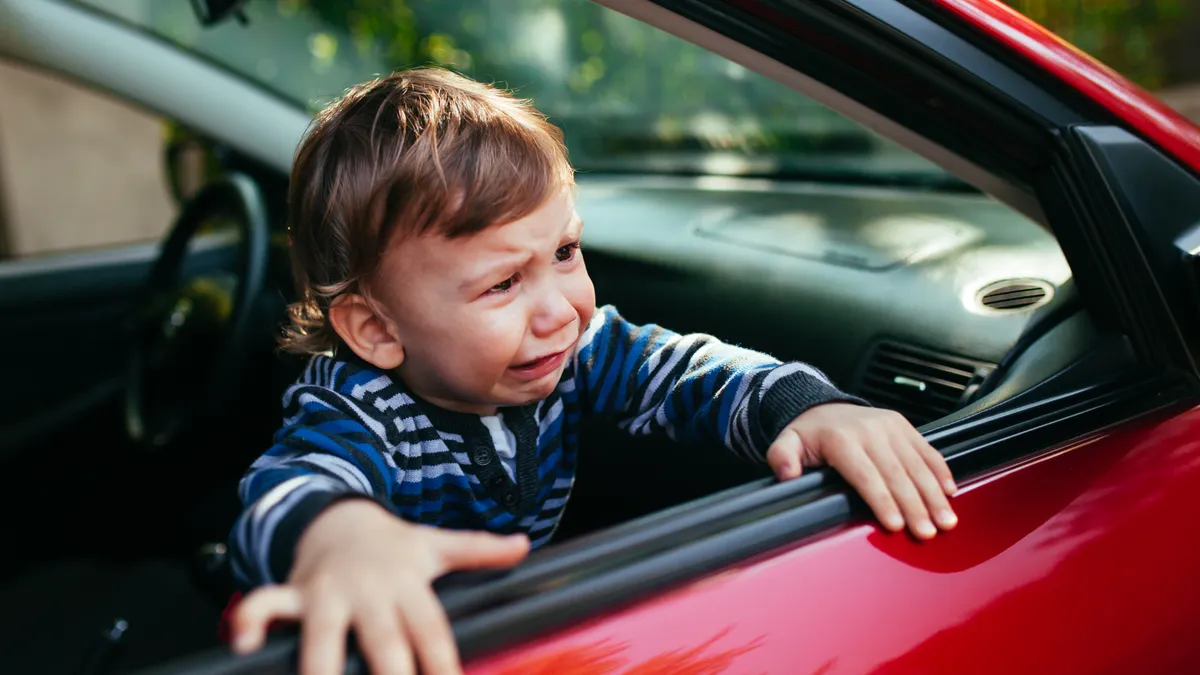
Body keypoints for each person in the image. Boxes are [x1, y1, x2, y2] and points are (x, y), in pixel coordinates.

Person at [226, 67, 959, 675]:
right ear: (378, 329)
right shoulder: (359, 407)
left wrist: (807, 408)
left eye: (565, 253)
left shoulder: (572, 351)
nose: (560, 311)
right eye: (502, 284)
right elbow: (285, 488)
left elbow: (687, 371)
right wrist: (342, 539)